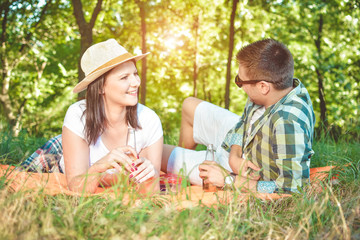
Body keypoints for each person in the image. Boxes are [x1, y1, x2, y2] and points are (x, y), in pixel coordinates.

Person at [161, 38, 315, 193]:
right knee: (189, 105)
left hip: (241, 174)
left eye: (240, 82)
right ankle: (183, 173)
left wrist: (228, 179)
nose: (240, 86)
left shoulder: (287, 123)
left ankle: (186, 168)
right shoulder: (273, 91)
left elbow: (292, 190)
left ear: (263, 87)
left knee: (159, 153)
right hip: (242, 144)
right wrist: (234, 155)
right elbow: (243, 121)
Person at [21, 39, 163, 194]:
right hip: (60, 150)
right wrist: (100, 166)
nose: (136, 82)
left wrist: (152, 174)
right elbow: (76, 186)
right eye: (124, 77)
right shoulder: (78, 115)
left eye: (135, 74)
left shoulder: (149, 120)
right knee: (21, 177)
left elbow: (150, 192)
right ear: (100, 86)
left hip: (99, 167)